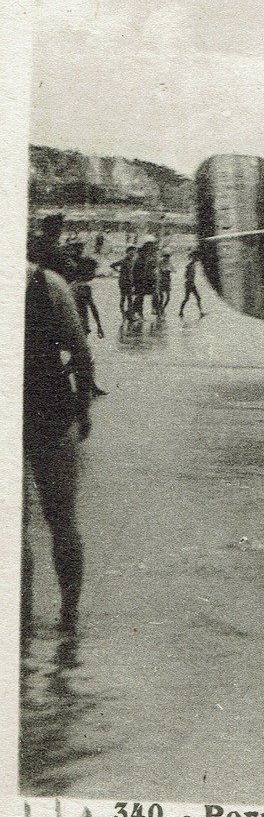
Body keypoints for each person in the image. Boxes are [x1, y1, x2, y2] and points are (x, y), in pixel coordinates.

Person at [23, 260, 99, 631]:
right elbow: (81, 353)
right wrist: (82, 409)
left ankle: (20, 618)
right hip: (49, 409)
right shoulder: (46, 283)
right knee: (62, 520)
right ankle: (69, 613)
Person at [64, 242, 104, 340]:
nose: (94, 275)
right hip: (81, 323)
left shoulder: (72, 284)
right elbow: (92, 307)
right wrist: (99, 325)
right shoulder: (85, 287)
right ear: (88, 272)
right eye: (93, 271)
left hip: (71, 322)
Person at [110, 246, 136, 317]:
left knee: (130, 298)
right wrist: (118, 271)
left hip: (130, 281)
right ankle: (123, 313)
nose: (132, 255)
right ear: (127, 253)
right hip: (123, 281)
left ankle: (129, 313)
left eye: (133, 253)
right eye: (130, 253)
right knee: (123, 297)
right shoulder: (123, 260)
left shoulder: (133, 261)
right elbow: (112, 265)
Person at [178, 251, 205, 317]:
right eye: (195, 258)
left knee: (192, 298)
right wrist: (190, 279)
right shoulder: (190, 266)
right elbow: (186, 275)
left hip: (190, 283)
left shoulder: (192, 265)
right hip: (190, 284)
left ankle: (181, 311)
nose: (196, 259)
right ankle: (181, 311)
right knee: (190, 298)